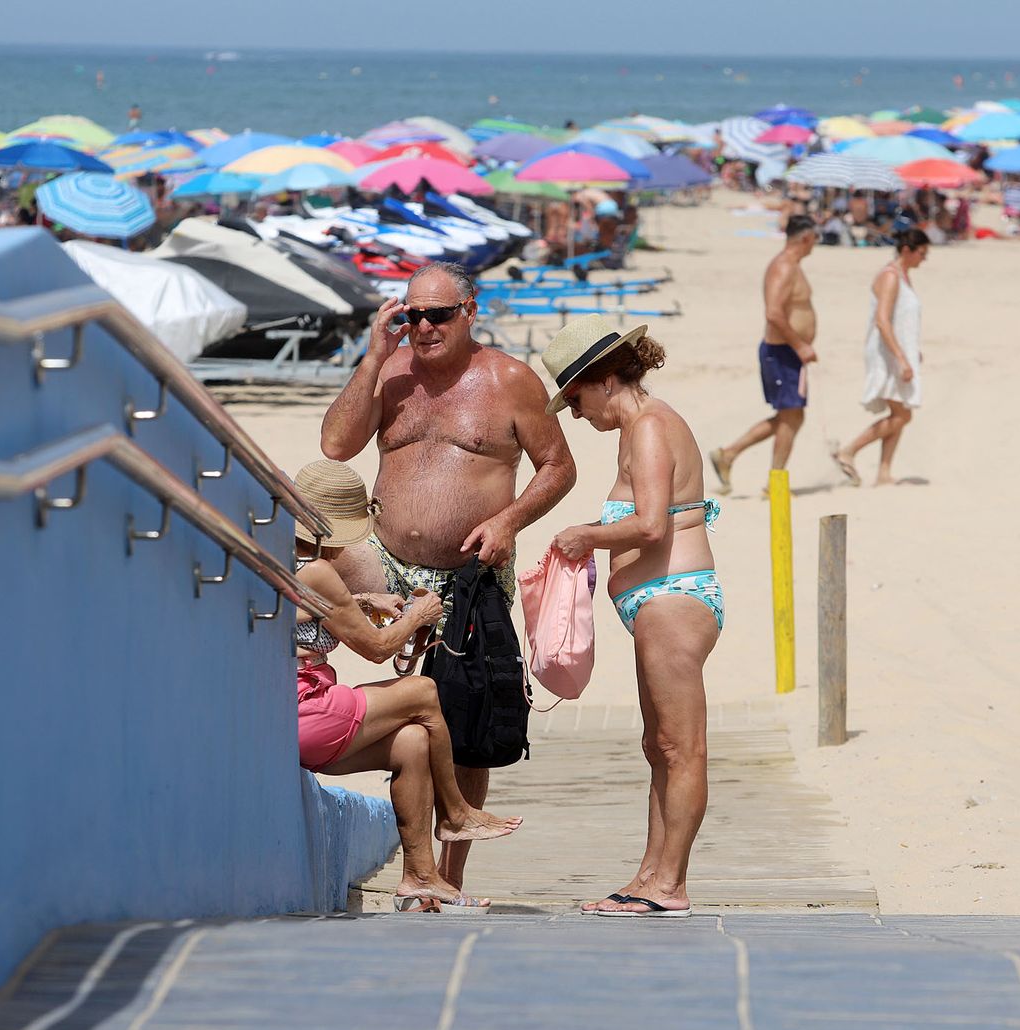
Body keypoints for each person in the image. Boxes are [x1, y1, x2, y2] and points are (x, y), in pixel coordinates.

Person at [320, 262, 576, 892]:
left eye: (438, 314)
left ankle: (449, 873)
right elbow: (335, 445)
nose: (425, 327)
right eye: (413, 315)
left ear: (470, 310)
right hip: (386, 567)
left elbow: (557, 467)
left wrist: (511, 519)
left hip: (471, 567)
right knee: (408, 712)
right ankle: (418, 868)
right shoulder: (391, 374)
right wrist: (375, 355)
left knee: (466, 719)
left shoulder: (510, 380)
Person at [543, 316, 722, 918]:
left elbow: (651, 525)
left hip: (673, 598)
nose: (573, 413)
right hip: (657, 601)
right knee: (659, 745)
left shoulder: (648, 427)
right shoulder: (642, 427)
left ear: (602, 379)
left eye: (574, 398)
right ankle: (650, 875)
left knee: (681, 747)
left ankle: (670, 886)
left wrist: (583, 536)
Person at [289, 459, 523, 913]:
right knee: (422, 692)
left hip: (288, 714)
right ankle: (455, 813)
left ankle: (420, 874)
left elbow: (297, 612)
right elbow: (378, 649)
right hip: (303, 709)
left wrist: (357, 600)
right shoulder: (317, 571)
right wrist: (418, 617)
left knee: (412, 741)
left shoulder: (279, 559)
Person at [708, 214, 819, 497]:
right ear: (806, 238)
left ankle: (730, 455)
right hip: (782, 351)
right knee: (791, 416)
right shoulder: (783, 267)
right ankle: (772, 480)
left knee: (791, 416)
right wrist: (800, 345)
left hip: (788, 352)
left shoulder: (793, 266)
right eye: (815, 238)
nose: (816, 244)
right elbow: (773, 312)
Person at [835, 229, 930, 486]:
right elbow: (882, 320)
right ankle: (849, 450)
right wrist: (901, 357)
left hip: (898, 350)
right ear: (907, 250)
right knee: (902, 414)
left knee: (901, 410)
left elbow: (902, 321)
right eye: (922, 253)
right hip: (887, 354)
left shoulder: (903, 276)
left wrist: (912, 350)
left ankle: (884, 472)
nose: (925, 259)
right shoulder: (890, 276)